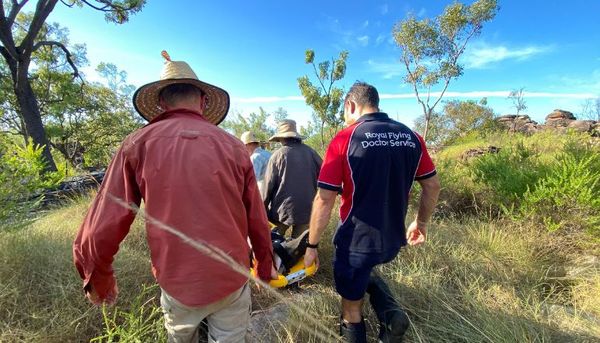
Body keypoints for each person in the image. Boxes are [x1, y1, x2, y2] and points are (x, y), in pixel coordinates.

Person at [73, 51, 276, 343]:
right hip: (231, 280)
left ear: (161, 103)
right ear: (204, 102)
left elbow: (103, 222)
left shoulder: (136, 144)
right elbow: (256, 217)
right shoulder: (233, 147)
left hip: (177, 285)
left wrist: (99, 278)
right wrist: (264, 268)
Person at [304, 82, 441, 342]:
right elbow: (432, 185)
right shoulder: (412, 137)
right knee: (367, 269)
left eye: (345, 111)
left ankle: (378, 322)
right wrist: (420, 223)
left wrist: (312, 244)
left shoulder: (345, 138)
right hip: (392, 238)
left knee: (351, 307)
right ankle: (392, 315)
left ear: (350, 105)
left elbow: (324, 199)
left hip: (355, 240)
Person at [263, 119, 322, 239]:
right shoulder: (310, 152)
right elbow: (326, 175)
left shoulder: (277, 155)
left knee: (274, 244)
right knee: (299, 248)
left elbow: (267, 187)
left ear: (281, 138)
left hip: (281, 211)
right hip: (306, 209)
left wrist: (261, 210)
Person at [240, 131, 271, 197]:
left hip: (263, 193)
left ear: (248, 144)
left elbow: (252, 182)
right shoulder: (268, 154)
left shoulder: (255, 157)